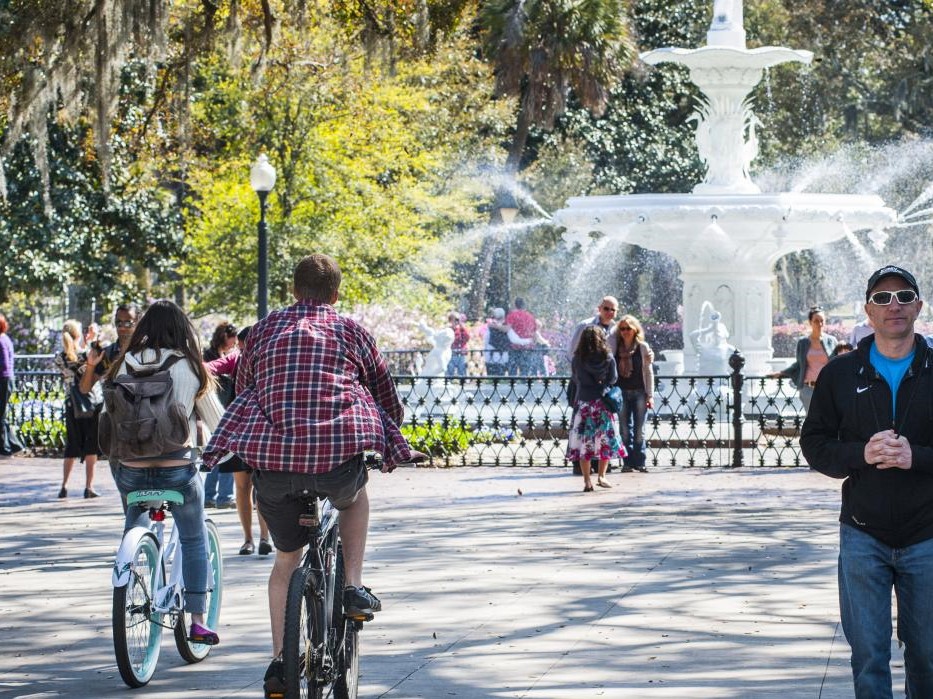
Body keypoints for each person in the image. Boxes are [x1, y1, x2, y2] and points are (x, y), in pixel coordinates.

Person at [201, 253, 419, 698]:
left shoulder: (264, 330)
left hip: (275, 467)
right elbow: (384, 391)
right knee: (354, 497)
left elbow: (245, 386)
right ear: (335, 294)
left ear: (293, 290)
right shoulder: (352, 330)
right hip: (336, 461)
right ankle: (353, 586)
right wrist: (391, 427)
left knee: (286, 561)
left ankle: (281, 661)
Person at [801, 265, 933, 698]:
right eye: (882, 298)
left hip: (928, 533)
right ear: (868, 311)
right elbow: (814, 443)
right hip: (862, 533)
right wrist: (862, 454)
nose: (894, 305)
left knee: (928, 656)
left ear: (918, 306)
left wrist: (917, 457)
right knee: (869, 657)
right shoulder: (840, 373)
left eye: (904, 296)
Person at [106, 299, 224, 646]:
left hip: (130, 470)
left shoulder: (122, 364)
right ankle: (198, 620)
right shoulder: (190, 366)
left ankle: (132, 569)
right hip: (177, 469)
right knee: (193, 537)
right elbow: (218, 424)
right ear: (183, 330)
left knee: (134, 523)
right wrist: (226, 454)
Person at [204, 325, 272, 556]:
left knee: (257, 488)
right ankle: (250, 539)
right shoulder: (237, 359)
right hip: (244, 431)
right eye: (242, 349)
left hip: (257, 432)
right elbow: (210, 366)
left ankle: (262, 538)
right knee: (245, 488)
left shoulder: (266, 359)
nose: (243, 353)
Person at [81, 303, 139, 511]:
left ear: (137, 323)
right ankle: (133, 520)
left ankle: (143, 519)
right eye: (118, 322)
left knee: (141, 479)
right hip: (114, 425)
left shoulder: (145, 352)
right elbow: (85, 387)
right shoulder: (107, 353)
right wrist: (91, 365)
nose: (122, 327)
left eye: (128, 323)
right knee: (122, 481)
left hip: (142, 422)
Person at [565, 325, 625, 492]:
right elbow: (613, 379)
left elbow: (576, 378)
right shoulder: (608, 357)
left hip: (584, 403)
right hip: (602, 403)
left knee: (584, 442)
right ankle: (601, 476)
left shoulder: (578, 359)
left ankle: (587, 481)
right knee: (604, 440)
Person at [55, 320, 101, 498]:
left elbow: (72, 360)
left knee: (71, 445)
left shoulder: (60, 358)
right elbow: (94, 362)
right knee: (91, 446)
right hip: (90, 404)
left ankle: (64, 486)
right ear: (78, 334)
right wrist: (93, 338)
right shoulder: (85, 354)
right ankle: (89, 487)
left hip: (71, 405)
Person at [769, 306, 837, 412]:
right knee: (811, 419)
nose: (820, 324)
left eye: (822, 321)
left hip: (827, 389)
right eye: (816, 321)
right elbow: (799, 364)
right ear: (810, 322)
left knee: (828, 418)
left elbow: (837, 363)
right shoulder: (803, 342)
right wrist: (782, 373)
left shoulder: (832, 341)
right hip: (808, 389)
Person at [201, 321, 237, 509]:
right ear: (225, 337)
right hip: (215, 409)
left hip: (225, 409)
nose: (234, 343)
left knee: (219, 453)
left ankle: (215, 496)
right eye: (233, 339)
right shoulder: (210, 355)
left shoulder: (227, 356)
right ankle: (220, 496)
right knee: (223, 453)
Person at [615, 315, 654, 473]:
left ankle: (640, 462)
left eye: (628, 328)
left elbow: (649, 372)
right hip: (622, 393)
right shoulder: (616, 347)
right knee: (624, 430)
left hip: (639, 392)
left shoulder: (642, 347)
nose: (625, 331)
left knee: (639, 430)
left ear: (635, 330)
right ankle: (627, 462)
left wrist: (650, 395)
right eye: (622, 329)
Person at [0, 312, 22, 457]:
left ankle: (5, 449)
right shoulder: (4, 338)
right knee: (1, 415)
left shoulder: (1, 340)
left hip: (3, 380)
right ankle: (14, 445)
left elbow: (4, 364)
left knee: (0, 416)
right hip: (6, 380)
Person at [505, 297, 537, 375]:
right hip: (528, 348)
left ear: (515, 305)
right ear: (524, 305)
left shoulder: (512, 315)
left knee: (512, 372)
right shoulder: (530, 316)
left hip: (514, 348)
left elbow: (507, 329)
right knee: (525, 373)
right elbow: (534, 332)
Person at [483, 308, 510, 375]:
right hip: (503, 356)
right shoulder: (507, 326)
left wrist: (485, 354)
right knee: (501, 376)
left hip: (491, 355)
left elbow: (486, 340)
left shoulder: (491, 326)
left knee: (492, 376)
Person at [445, 312, 470, 377]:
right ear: (450, 320)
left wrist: (462, 327)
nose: (456, 321)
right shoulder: (448, 330)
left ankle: (463, 382)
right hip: (451, 354)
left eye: (458, 319)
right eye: (455, 319)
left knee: (462, 373)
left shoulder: (461, 329)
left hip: (461, 354)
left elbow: (467, 338)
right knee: (449, 372)